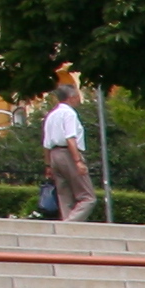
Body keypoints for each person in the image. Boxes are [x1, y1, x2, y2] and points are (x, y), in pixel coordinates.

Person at [39, 78, 94, 221]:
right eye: (77, 96)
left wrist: (48, 165)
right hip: (68, 154)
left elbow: (46, 143)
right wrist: (78, 161)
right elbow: (70, 138)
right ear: (72, 97)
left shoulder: (51, 115)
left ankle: (67, 223)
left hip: (54, 156)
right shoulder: (69, 114)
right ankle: (69, 225)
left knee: (65, 197)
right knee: (88, 197)